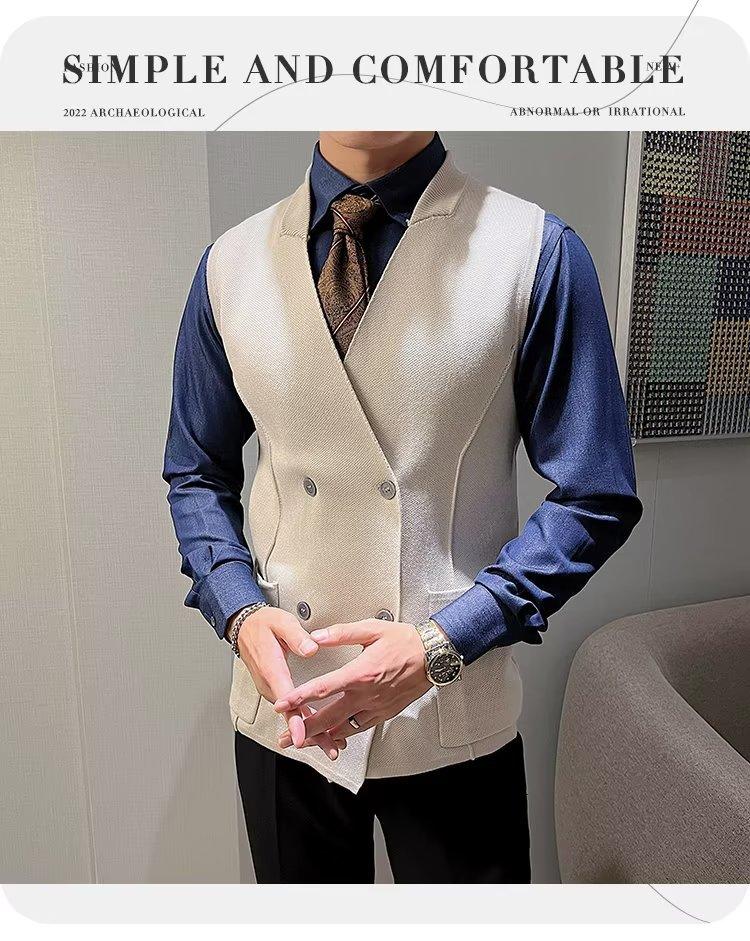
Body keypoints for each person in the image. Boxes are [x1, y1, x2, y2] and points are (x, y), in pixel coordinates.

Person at [163, 131, 642, 884]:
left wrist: (443, 644)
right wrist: (239, 611)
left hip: (451, 713)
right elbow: (196, 471)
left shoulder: (534, 252)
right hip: (284, 711)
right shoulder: (230, 265)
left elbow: (596, 492)